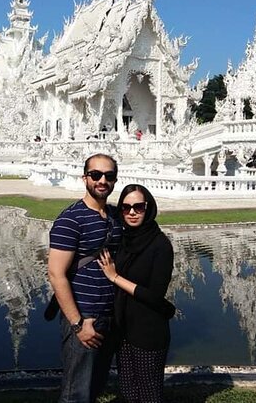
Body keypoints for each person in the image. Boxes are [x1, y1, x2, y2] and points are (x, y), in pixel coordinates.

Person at [48, 153, 123, 403]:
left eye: (109, 176)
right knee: (75, 394)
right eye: (96, 175)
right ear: (85, 178)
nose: (102, 180)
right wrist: (78, 324)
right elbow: (56, 274)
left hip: (109, 316)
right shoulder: (70, 220)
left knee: (95, 388)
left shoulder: (114, 217)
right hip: (85, 317)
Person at [98, 184, 174, 403]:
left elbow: (155, 296)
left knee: (149, 395)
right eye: (126, 207)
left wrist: (115, 278)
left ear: (148, 208)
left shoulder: (160, 245)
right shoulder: (124, 240)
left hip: (148, 331)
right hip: (123, 329)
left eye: (138, 207)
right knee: (129, 392)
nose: (132, 212)